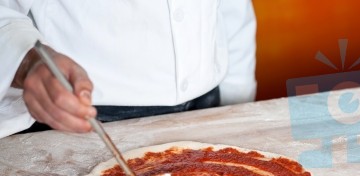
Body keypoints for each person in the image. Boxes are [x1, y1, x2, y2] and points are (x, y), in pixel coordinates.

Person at [0, 1, 256, 138]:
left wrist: (238, 109)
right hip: (86, 122)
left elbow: (233, 10)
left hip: (209, 110)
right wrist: (27, 62)